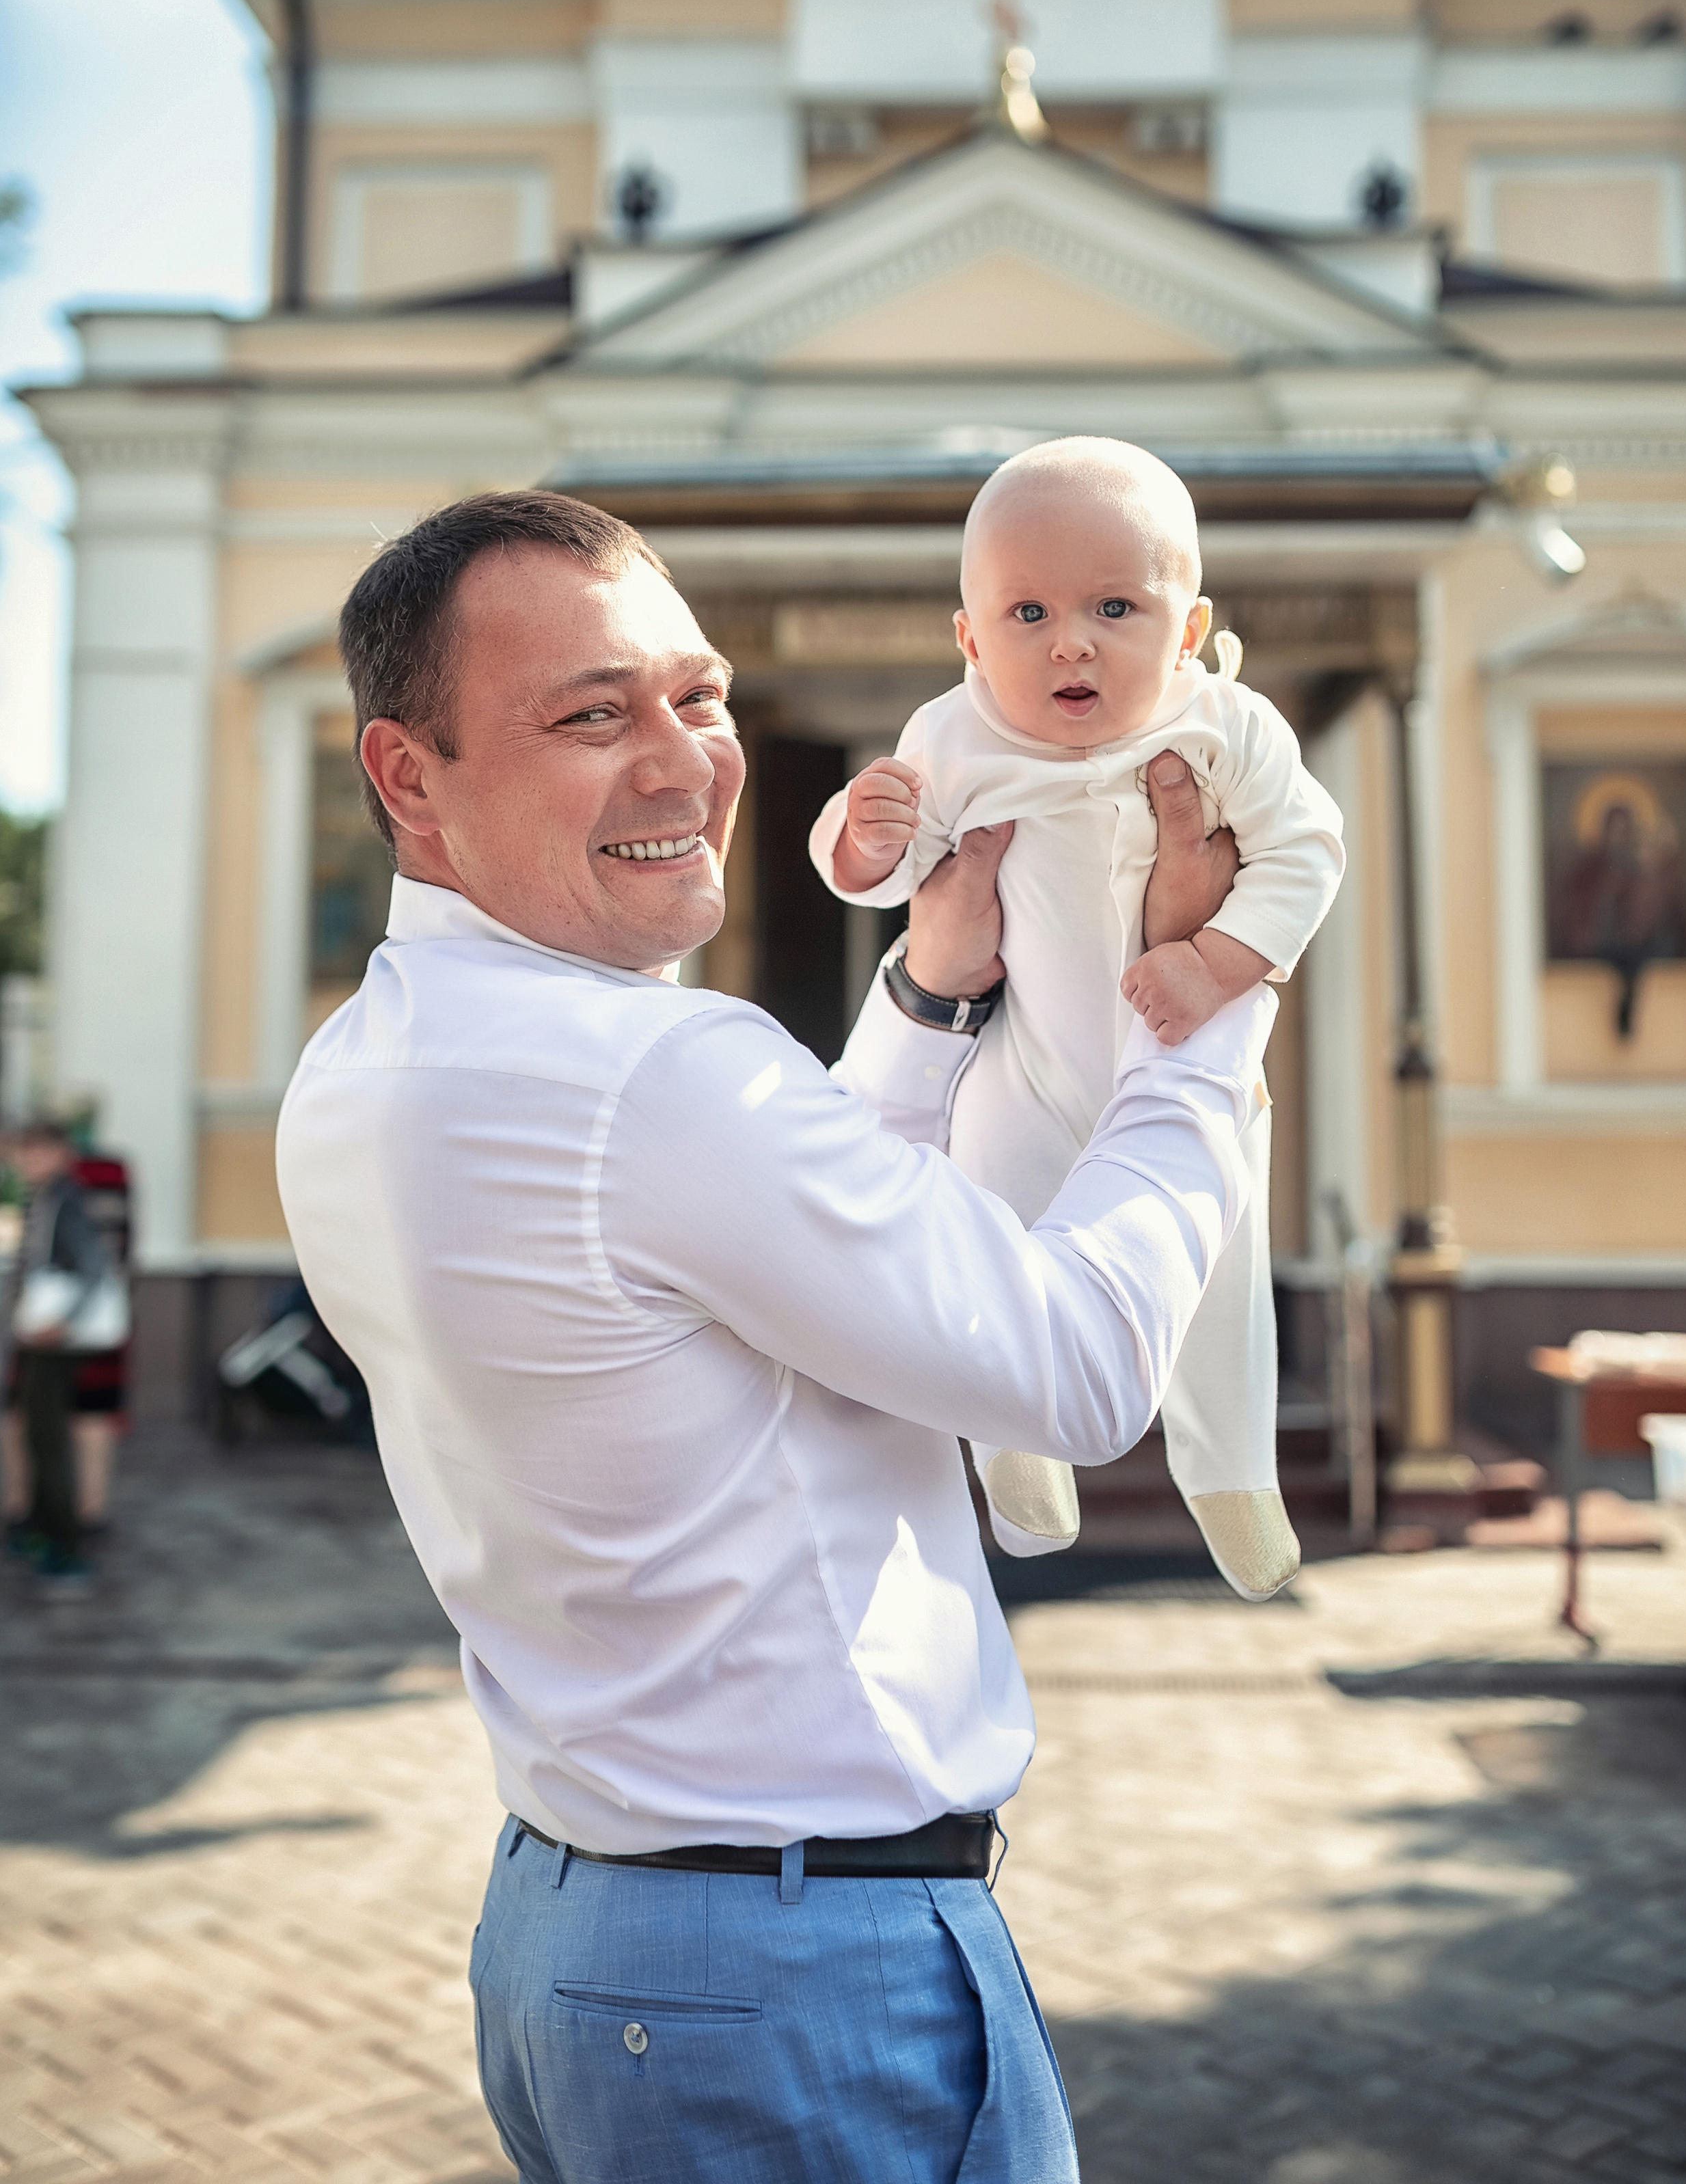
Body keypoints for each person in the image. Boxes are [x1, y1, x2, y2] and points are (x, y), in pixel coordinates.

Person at [276, 488, 1268, 2184]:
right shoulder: (653, 1074)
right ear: (407, 778)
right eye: (592, 713)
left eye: (699, 693)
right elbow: (1078, 1366)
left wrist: (927, 995)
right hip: (797, 1975)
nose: (683, 761)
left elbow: (760, 1254)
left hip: (585, 1931)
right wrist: (1197, 1008)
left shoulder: (370, 1059)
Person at [810, 438, 1344, 1596]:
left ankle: (1234, 1478)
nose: (1072, 642)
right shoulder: (952, 738)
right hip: (1028, 1067)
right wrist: (866, 834)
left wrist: (1215, 962)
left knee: (1217, 1275)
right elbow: (888, 881)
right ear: (969, 641)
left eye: (1116, 606)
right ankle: (1016, 1457)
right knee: (1001, 1245)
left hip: (1189, 1046)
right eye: (1029, 611)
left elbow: (1307, 854)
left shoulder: (1228, 726)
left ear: (1190, 631)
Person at [2, 1119, 115, 1596]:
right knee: (36, 1436)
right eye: (23, 1154)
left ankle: (66, 1549)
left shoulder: (66, 1200)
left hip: (54, 1343)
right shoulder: (45, 1197)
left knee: (49, 1443)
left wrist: (62, 1322)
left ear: (60, 1153)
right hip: (39, 1341)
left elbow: (94, 1267)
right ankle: (44, 1533)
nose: (27, 1163)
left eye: (36, 1153)